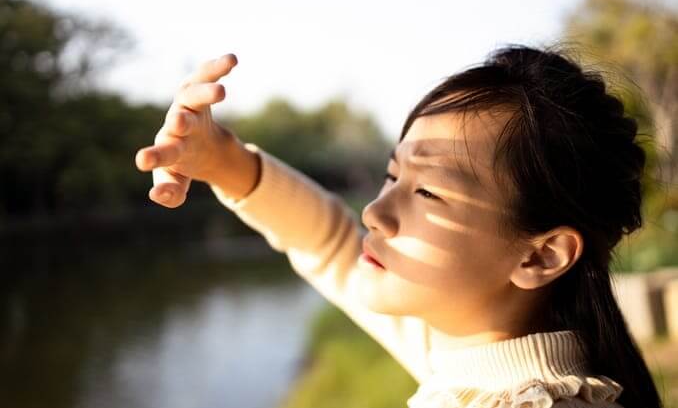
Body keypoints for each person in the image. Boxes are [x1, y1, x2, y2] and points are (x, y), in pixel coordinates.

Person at [134, 44, 664, 408]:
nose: (374, 213)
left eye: (427, 191)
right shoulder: (463, 359)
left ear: (541, 256)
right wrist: (220, 160)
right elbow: (329, 242)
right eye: (393, 175)